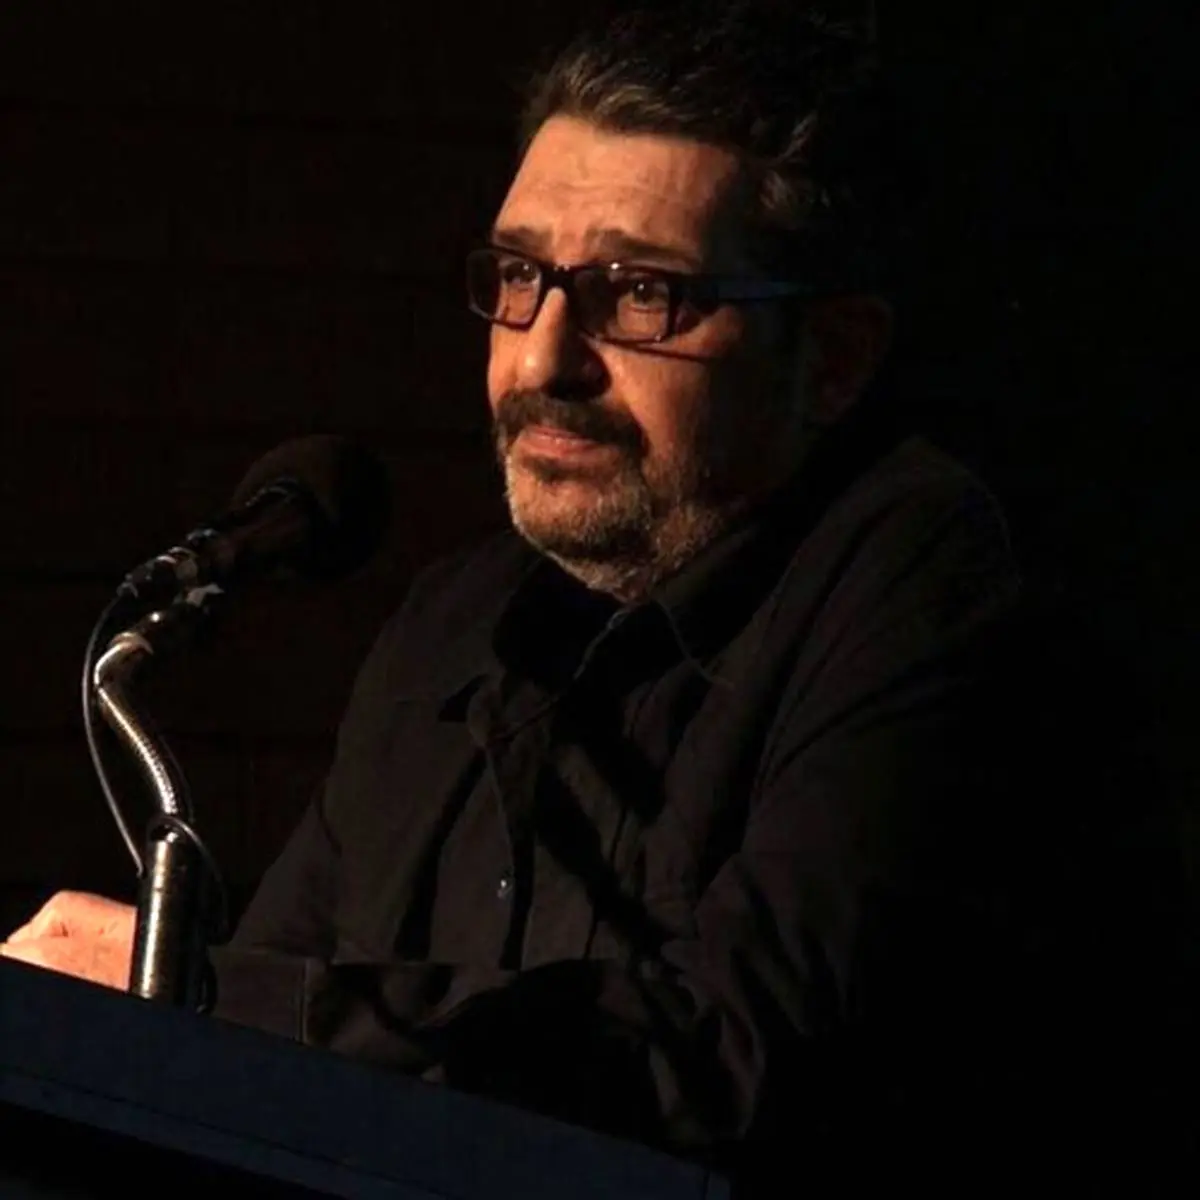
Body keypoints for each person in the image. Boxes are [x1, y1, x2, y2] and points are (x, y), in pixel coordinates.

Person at [1, 2, 1181, 1187]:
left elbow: (734, 1061)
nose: (542, 361)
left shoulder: (925, 577)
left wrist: (198, 992)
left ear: (833, 358)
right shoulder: (451, 626)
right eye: (521, 276)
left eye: (638, 294)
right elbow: (263, 1094)